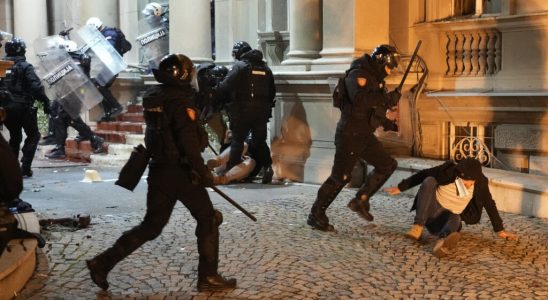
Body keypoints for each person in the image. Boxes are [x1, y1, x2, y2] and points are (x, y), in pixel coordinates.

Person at [86, 53, 237, 292]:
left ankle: (101, 263)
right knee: (208, 219)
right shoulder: (181, 103)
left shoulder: (157, 98)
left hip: (159, 170)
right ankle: (208, 277)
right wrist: (204, 174)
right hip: (181, 173)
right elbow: (187, 144)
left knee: (151, 226)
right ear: (183, 75)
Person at [307, 44, 402, 232]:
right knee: (341, 177)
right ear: (381, 62)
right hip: (349, 134)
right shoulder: (357, 73)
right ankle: (316, 214)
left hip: (364, 134)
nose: (390, 72)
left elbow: (374, 109)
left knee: (387, 165)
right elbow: (360, 100)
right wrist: (386, 99)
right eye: (388, 67)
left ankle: (361, 200)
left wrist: (387, 123)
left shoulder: (375, 79)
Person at [384, 158, 518, 258]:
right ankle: (417, 226)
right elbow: (423, 174)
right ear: (460, 175)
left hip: (445, 220)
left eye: (472, 183)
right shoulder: (447, 171)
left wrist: (500, 230)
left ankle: (442, 242)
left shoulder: (481, 182)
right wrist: (400, 187)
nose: (469, 185)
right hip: (430, 211)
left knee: (456, 218)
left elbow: (489, 203)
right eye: (466, 182)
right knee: (429, 181)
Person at [216, 41, 276, 184]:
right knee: (259, 141)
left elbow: (225, 86)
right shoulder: (266, 68)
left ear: (238, 53)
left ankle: (232, 173)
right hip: (261, 113)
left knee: (237, 142)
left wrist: (218, 89)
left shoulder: (239, 66)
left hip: (241, 112)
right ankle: (268, 167)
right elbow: (272, 91)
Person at [0, 37, 51, 178]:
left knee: (14, 137)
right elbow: (37, 88)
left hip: (6, 109)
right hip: (23, 107)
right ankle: (25, 167)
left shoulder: (2, 66)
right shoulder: (25, 66)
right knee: (34, 135)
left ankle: (11, 168)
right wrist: (46, 103)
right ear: (21, 50)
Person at [46, 40, 104, 159]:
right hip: (66, 94)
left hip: (75, 94)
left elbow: (79, 77)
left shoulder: (80, 60)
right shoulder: (69, 60)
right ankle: (61, 148)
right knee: (64, 119)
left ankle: (94, 139)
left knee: (71, 119)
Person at [86, 17, 129, 122]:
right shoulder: (100, 35)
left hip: (114, 64)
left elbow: (110, 48)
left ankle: (116, 107)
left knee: (99, 85)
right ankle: (108, 112)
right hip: (106, 65)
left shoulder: (109, 33)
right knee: (99, 87)